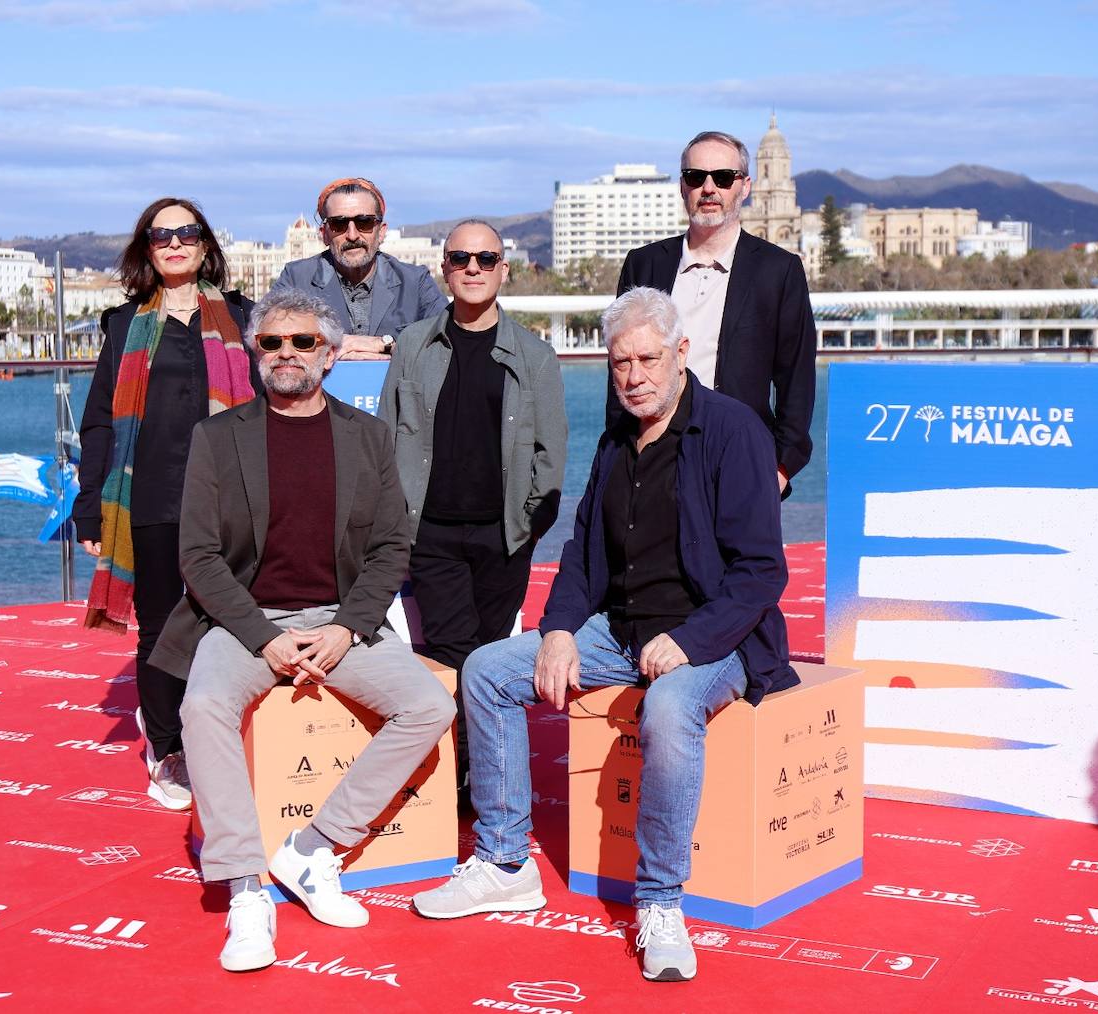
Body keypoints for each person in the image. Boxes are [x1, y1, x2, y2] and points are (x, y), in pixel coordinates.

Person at [412, 287, 795, 983]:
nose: (633, 376)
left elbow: (763, 572)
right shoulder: (618, 439)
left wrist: (690, 641)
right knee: (490, 670)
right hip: (619, 633)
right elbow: (586, 549)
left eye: (648, 358)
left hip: (717, 640)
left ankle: (660, 902)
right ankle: (504, 861)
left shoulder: (734, 431)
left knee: (672, 705)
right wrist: (558, 631)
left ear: (680, 355)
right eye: (621, 363)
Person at [147, 287, 456, 972]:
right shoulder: (217, 437)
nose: (287, 355)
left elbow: (389, 550)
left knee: (431, 704)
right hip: (246, 620)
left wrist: (348, 629)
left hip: (339, 621)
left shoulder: (368, 437)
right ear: (256, 354)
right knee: (202, 707)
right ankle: (247, 888)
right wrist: (263, 637)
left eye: (303, 342)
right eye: (272, 343)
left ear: (332, 353)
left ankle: (315, 851)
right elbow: (197, 556)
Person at [75, 197, 260, 811]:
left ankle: (225, 730)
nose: (175, 243)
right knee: (159, 627)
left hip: (228, 499)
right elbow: (100, 421)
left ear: (206, 243)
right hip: (149, 495)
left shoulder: (244, 318)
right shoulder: (124, 324)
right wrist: (89, 503)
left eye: (187, 233)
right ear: (147, 249)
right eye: (162, 235)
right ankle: (166, 744)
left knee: (228, 620)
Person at [377, 219, 566, 789]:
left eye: (486, 259)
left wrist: (530, 525)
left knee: (489, 659)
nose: (474, 269)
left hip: (503, 535)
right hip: (431, 535)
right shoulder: (413, 346)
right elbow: (389, 436)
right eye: (461, 259)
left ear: (503, 270)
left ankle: (488, 774)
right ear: (446, 270)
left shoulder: (534, 355)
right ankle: (472, 777)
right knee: (458, 655)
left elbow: (550, 454)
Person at [615, 130, 817, 494]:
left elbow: (797, 382)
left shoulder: (779, 270)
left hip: (743, 466)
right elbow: (619, 369)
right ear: (682, 187)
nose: (709, 188)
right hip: (653, 466)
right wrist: (620, 462)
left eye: (723, 178)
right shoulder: (642, 265)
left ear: (745, 186)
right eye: (696, 177)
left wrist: (779, 470)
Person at [272, 177, 447, 360]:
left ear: (381, 232)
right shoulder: (296, 279)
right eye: (339, 224)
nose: (352, 235)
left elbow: (447, 340)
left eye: (364, 222)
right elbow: (267, 339)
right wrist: (333, 343)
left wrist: (384, 344)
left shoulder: (415, 282)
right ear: (324, 235)